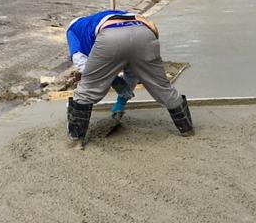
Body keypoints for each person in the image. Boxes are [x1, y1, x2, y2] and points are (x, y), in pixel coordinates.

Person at [65, 9, 193, 147]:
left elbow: (80, 61)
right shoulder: (112, 15)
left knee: (87, 90)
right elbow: (133, 71)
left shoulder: (72, 30)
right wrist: (122, 100)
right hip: (145, 33)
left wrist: (114, 80)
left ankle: (76, 139)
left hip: (111, 36)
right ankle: (187, 129)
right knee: (162, 87)